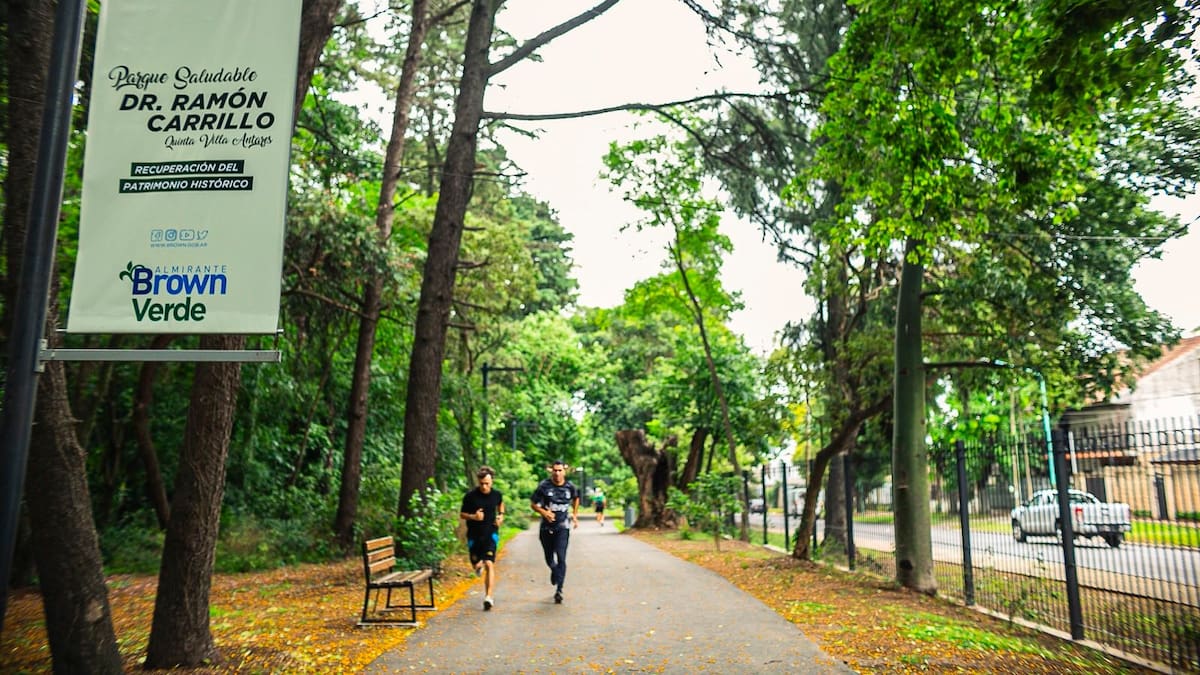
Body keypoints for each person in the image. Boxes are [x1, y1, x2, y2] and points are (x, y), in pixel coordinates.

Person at [530, 459, 579, 604]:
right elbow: (533, 504)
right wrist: (544, 512)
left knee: (562, 557)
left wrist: (575, 515)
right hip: (546, 528)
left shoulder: (570, 487)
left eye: (560, 470)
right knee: (549, 557)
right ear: (551, 470)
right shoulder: (544, 486)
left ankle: (559, 590)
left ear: (565, 471)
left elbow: (576, 499)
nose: (557, 473)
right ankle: (553, 569)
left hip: (563, 527)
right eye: (555, 470)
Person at [460, 465, 504, 610]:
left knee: (489, 563)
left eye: (487, 483)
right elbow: (462, 514)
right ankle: (477, 566)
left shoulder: (497, 495)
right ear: (478, 482)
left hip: (491, 534)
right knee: (476, 563)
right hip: (474, 535)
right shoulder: (470, 497)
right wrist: (474, 516)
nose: (484, 486)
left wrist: (500, 516)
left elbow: (500, 506)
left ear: (492, 482)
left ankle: (489, 597)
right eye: (482, 484)